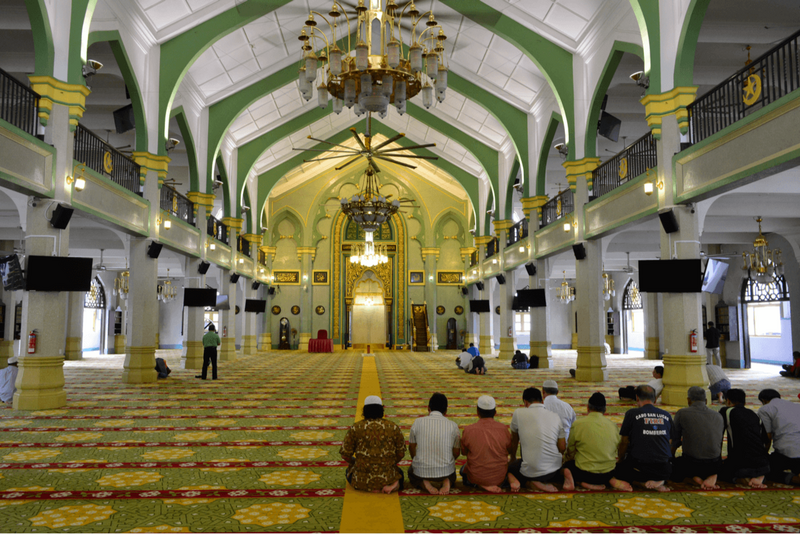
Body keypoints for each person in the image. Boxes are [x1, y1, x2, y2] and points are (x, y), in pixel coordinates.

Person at [562, 392, 632, 491]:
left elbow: (570, 449)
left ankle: (582, 482)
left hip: (584, 473)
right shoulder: (613, 426)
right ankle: (610, 480)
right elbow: (617, 448)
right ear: (605, 410)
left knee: (566, 466)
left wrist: (566, 460)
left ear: (587, 408)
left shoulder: (578, 424)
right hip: (608, 472)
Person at [340, 395, 405, 493]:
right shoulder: (393, 427)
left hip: (361, 481)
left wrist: (356, 462)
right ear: (381, 410)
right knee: (400, 473)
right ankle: (394, 484)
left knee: (348, 471)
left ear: (365, 410)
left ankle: (371, 486)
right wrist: (389, 463)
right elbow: (401, 454)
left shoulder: (355, 428)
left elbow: (345, 455)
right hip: (387, 477)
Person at [617, 385, 675, 492]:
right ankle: (661, 480)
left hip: (640, 468)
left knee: (619, 471)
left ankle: (641, 483)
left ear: (637, 398)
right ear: (655, 399)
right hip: (664, 468)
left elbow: (624, 441)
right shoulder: (666, 415)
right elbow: (670, 441)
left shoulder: (631, 414)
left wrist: (620, 459)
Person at [508, 387, 566, 493]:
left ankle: (530, 482)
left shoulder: (518, 413)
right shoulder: (555, 416)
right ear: (542, 401)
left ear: (525, 402)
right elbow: (562, 447)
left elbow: (514, 441)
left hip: (529, 472)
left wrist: (512, 458)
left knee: (507, 469)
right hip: (554, 471)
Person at [671, 386, 725, 490]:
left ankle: (694, 478)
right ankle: (713, 475)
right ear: (706, 400)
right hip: (715, 464)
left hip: (692, 464)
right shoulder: (718, 416)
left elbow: (675, 440)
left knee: (673, 469)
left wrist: (670, 459)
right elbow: (719, 442)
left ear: (688, 400)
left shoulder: (682, 413)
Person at [408, 393, 461, 495]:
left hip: (421, 472)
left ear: (428, 408)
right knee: (453, 473)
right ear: (446, 411)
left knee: (411, 473)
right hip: (446, 471)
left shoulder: (417, 422)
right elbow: (456, 452)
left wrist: (417, 460)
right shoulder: (453, 426)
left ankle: (424, 483)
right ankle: (447, 480)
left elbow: (412, 447)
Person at [460, 395, 514, 493]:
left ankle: (481, 484)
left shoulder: (468, 430)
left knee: (463, 469)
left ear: (477, 412)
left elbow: (464, 453)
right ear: (495, 412)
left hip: (475, 477)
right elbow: (510, 450)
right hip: (499, 478)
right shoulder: (504, 429)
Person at [719, 388, 770, 488]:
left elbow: (717, 436)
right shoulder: (755, 415)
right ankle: (759, 477)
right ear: (745, 402)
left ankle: (741, 479)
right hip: (764, 465)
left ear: (728, 401)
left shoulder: (726, 411)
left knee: (719, 472)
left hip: (741, 465)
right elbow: (766, 440)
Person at [758, 389, 800, 485]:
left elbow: (767, 437)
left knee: (764, 470)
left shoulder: (765, 409)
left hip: (787, 454)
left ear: (763, 401)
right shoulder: (797, 406)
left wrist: (763, 457)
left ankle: (793, 479)